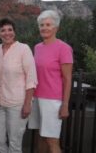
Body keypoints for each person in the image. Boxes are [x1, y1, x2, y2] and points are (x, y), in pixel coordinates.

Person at [28, 10, 73, 153]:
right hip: (36, 98)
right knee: (40, 138)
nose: (44, 28)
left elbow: (67, 78)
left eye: (48, 24)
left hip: (53, 101)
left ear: (56, 28)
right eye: (41, 25)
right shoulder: (37, 47)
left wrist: (65, 105)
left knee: (52, 141)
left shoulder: (64, 48)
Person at [0, 18, 37, 153]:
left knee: (14, 142)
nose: (7, 33)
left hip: (18, 104)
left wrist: (28, 103)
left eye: (10, 30)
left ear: (14, 32)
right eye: (3, 30)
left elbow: (31, 78)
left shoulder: (23, 49)